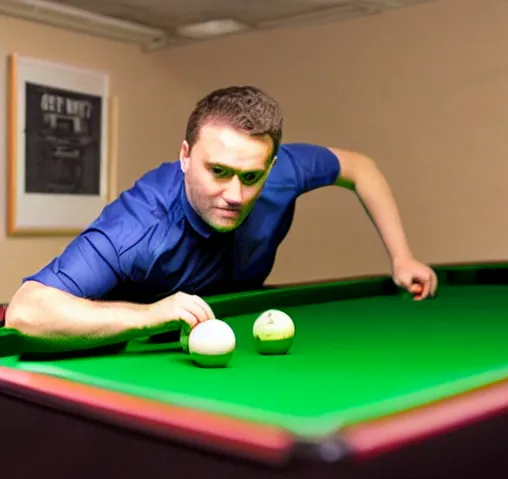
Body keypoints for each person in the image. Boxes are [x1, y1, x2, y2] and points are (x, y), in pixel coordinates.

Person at [5, 85, 437, 346]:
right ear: (186, 156)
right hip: (137, 352)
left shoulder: (284, 170)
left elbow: (361, 168)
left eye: (251, 176)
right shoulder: (138, 225)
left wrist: (401, 256)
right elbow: (28, 310)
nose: (235, 194)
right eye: (218, 171)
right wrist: (153, 314)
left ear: (270, 167)